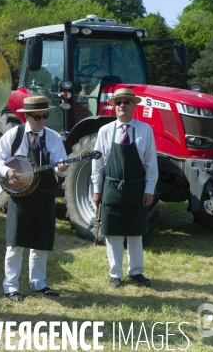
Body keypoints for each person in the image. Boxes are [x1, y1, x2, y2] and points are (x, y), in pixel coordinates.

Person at [0, 95, 69, 302]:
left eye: (45, 115)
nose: (42, 120)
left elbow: (61, 169)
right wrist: (6, 171)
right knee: (15, 243)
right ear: (27, 117)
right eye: (37, 116)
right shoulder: (14, 135)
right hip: (20, 197)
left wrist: (62, 169)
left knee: (41, 242)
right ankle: (11, 286)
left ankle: (38, 283)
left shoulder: (53, 137)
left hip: (45, 196)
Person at [92, 88, 158, 287]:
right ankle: (115, 274)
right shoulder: (105, 131)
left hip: (137, 189)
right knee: (113, 232)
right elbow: (98, 164)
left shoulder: (145, 130)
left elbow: (150, 163)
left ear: (133, 105)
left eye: (127, 102)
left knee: (136, 232)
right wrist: (97, 189)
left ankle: (136, 272)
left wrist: (149, 189)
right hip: (112, 187)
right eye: (119, 102)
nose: (122, 105)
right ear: (114, 106)